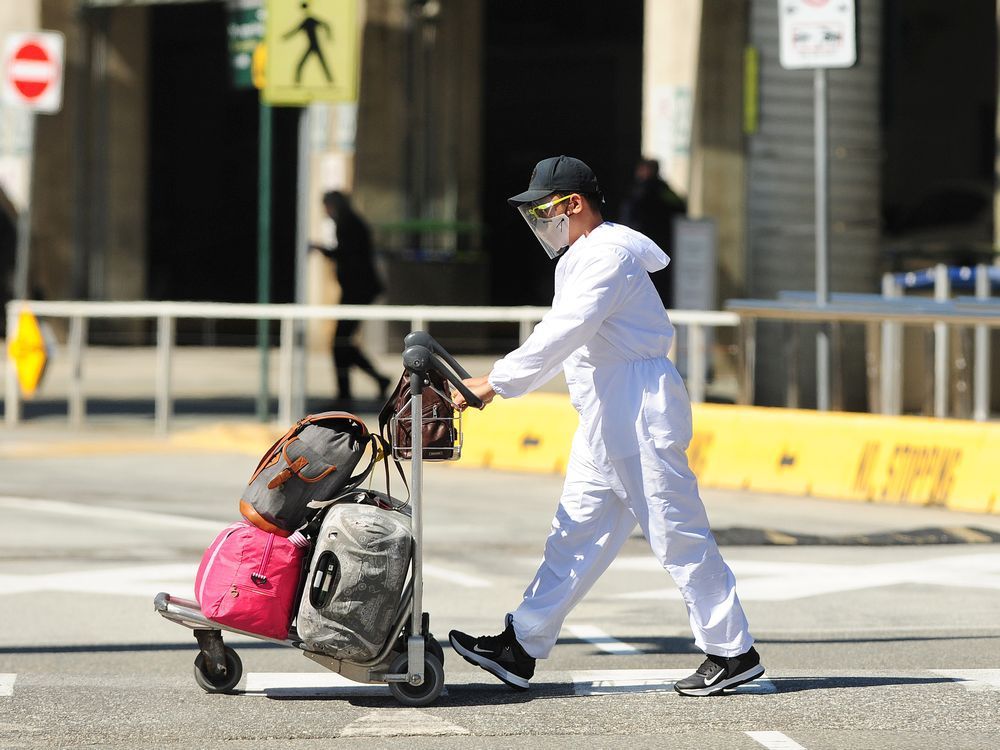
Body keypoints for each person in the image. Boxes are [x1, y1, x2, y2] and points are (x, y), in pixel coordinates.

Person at [447, 156, 763, 697]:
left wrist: (494, 382)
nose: (538, 222)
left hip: (638, 410)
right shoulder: (585, 255)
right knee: (573, 534)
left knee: (676, 532)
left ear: (574, 204)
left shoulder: (608, 258)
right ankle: (521, 646)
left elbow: (565, 330)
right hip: (606, 414)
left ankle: (733, 652)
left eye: (544, 210)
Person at [310, 191, 391, 404]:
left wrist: (322, 250)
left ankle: (345, 393)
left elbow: (347, 254)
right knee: (342, 343)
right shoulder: (349, 222)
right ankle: (376, 379)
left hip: (357, 291)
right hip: (355, 290)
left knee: (340, 343)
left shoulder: (348, 224)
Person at [619, 158, 687, 309]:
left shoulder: (643, 191)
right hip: (655, 249)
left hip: (646, 248)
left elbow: (680, 207)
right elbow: (680, 206)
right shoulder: (657, 190)